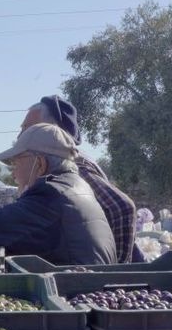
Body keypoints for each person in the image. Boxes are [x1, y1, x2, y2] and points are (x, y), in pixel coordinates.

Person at [0, 123, 117, 265]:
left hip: (76, 293)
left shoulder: (50, 194)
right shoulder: (79, 186)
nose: (13, 172)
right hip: (89, 285)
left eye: (16, 162)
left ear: (40, 164)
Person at [22, 95, 140, 262]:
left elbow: (122, 207)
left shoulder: (71, 166)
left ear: (52, 130)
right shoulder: (55, 164)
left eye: (28, 129)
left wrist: (116, 270)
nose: (21, 136)